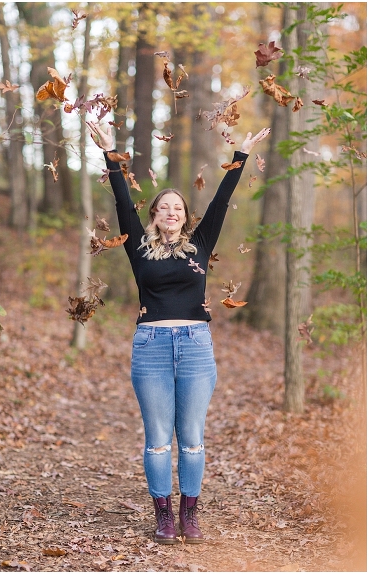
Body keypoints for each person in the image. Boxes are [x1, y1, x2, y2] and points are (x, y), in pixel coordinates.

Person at [87, 122, 270, 545]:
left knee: (190, 438)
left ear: (186, 217)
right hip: (150, 346)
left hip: (194, 347)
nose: (172, 212)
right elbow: (121, 204)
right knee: (156, 441)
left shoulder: (199, 246)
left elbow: (222, 201)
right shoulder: (137, 247)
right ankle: (163, 516)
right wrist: (111, 154)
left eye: (178, 208)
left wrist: (240, 154)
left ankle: (190, 514)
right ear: (153, 214)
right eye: (164, 207)